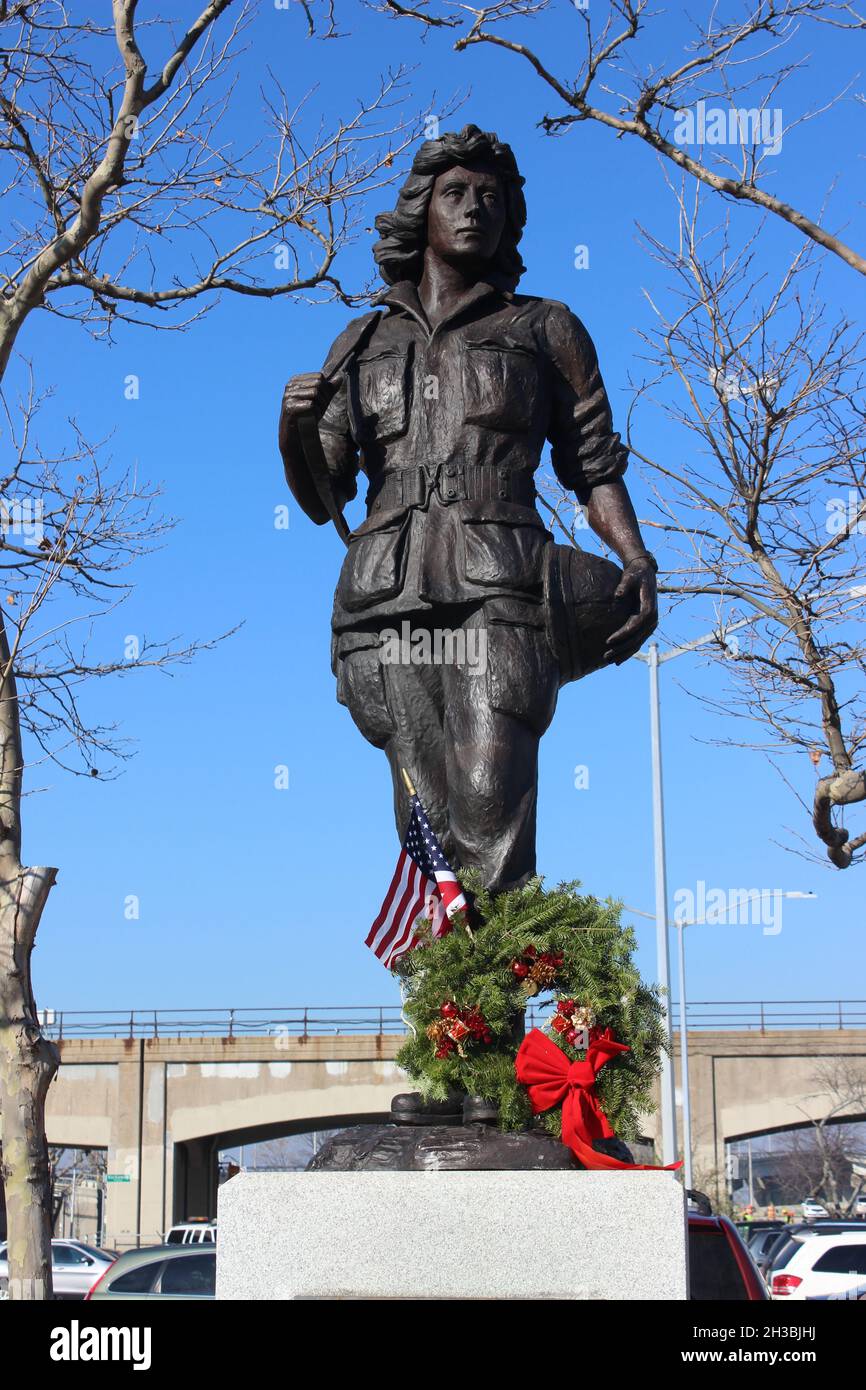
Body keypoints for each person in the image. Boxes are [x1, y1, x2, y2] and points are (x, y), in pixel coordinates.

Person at [279, 125, 658, 895]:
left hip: (503, 588)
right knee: (423, 814)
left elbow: (592, 463)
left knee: (490, 791)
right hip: (388, 599)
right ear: (423, 210)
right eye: (456, 193)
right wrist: (292, 428)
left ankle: (497, 1003)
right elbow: (324, 496)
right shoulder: (361, 343)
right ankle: (451, 1010)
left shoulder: (546, 328)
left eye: (492, 195)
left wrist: (637, 556)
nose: (474, 207)